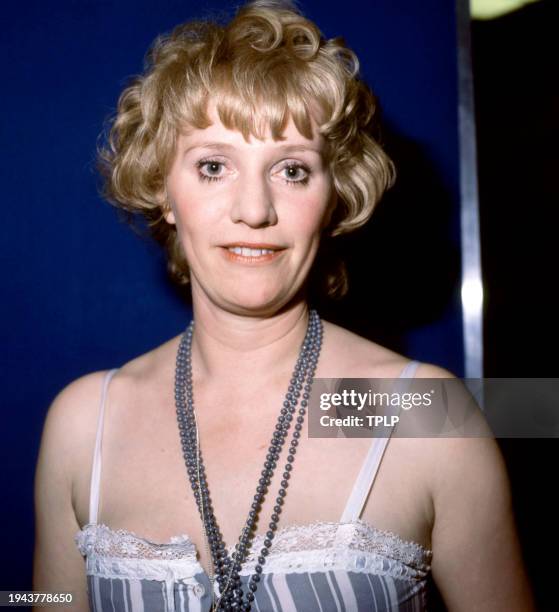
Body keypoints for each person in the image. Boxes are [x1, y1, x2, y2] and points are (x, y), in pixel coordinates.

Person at [33, 1, 535, 610]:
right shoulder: (84, 423)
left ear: (334, 195)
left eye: (292, 170)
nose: (254, 209)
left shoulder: (426, 413)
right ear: (165, 190)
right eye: (214, 166)